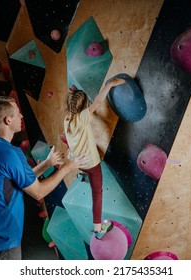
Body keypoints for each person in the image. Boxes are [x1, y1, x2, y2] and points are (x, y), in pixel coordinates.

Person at [0, 96, 88, 260]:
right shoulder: (10, 153)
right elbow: (38, 192)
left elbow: (19, 181)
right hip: (1, 244)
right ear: (8, 120)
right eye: (18, 113)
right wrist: (68, 166)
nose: (21, 116)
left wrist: (48, 163)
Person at [64, 77, 125, 239]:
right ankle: (98, 228)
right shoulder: (83, 117)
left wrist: (75, 94)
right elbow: (97, 101)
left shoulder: (67, 120)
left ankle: (82, 174)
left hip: (79, 162)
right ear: (83, 107)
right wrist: (110, 85)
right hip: (91, 164)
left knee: (86, 165)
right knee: (97, 193)